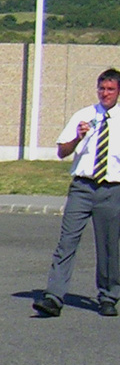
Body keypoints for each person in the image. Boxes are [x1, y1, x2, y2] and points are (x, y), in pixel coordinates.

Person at [32, 68, 120, 318]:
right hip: (83, 187)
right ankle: (54, 296)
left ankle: (108, 296)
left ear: (118, 92)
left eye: (110, 89)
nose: (105, 94)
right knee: (67, 241)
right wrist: (78, 137)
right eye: (102, 89)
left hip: (112, 189)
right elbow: (62, 151)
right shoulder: (85, 115)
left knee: (108, 246)